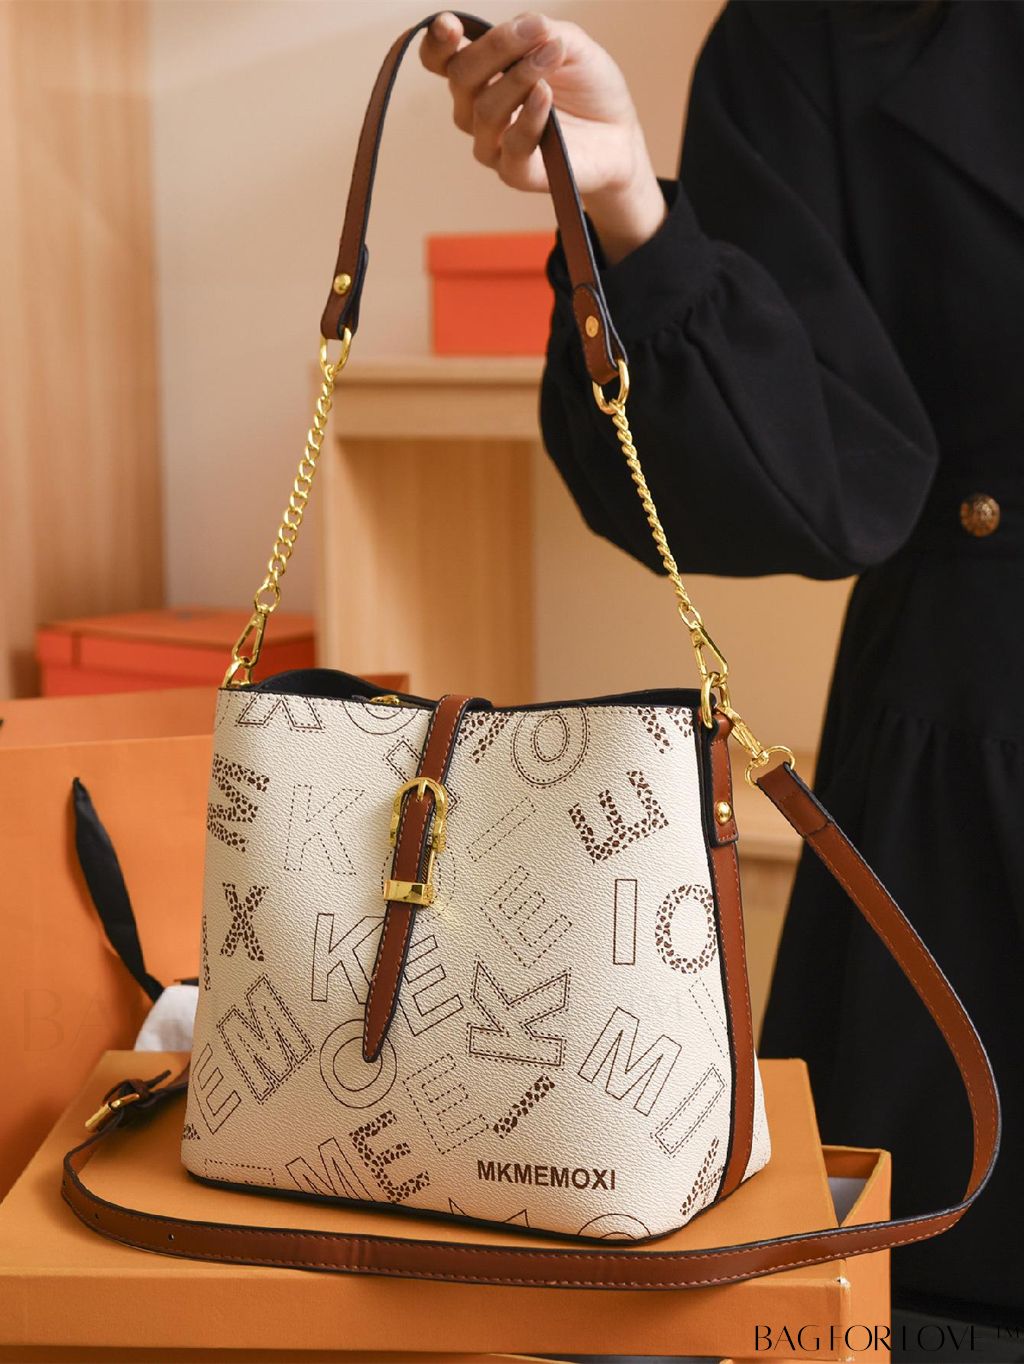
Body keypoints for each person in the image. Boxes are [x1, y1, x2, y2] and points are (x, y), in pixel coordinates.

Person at [420, 2, 1024, 1326]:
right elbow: (816, 476)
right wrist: (631, 212)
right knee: (923, 1292)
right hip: (969, 789)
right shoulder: (820, 34)